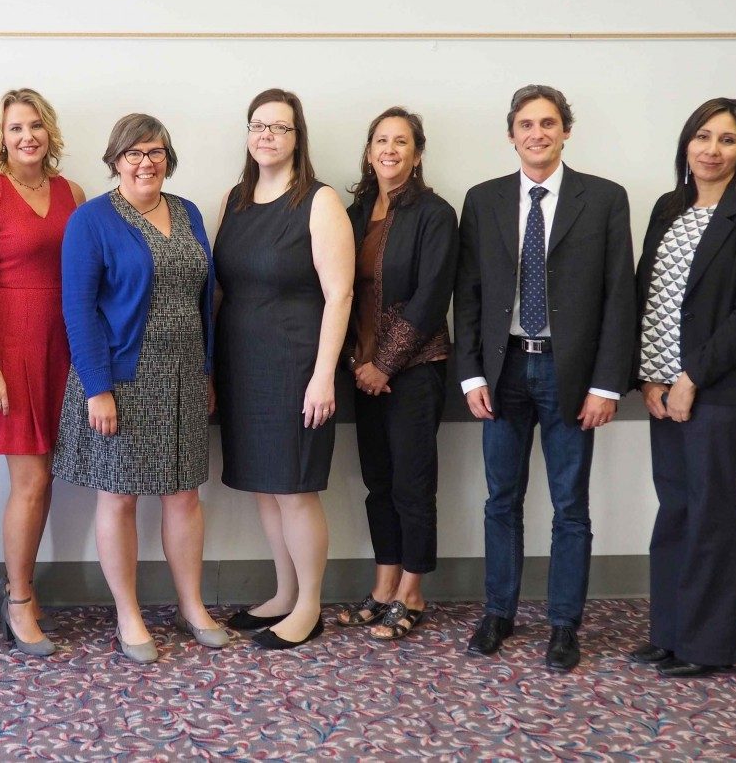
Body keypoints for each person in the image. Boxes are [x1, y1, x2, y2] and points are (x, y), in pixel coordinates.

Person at [455, 84, 636, 671]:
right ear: (511, 134)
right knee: (500, 499)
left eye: (549, 123)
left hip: (571, 371)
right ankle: (499, 613)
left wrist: (607, 384)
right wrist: (470, 374)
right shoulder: (482, 201)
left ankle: (564, 624)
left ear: (565, 131)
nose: (537, 133)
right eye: (526, 124)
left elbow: (618, 297)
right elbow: (470, 293)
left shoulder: (604, 199)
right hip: (503, 368)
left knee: (570, 505)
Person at [53, 113, 227, 664]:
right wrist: (97, 389)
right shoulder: (92, 220)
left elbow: (206, 299)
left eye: (154, 152)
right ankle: (128, 612)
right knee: (120, 495)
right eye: (133, 153)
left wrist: (206, 370)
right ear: (115, 160)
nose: (145, 162)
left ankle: (191, 604)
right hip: (122, 377)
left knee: (184, 496)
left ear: (167, 158)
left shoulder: (189, 212)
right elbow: (78, 310)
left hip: (182, 375)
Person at [627, 98, 736, 678]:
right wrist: (648, 377)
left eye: (727, 140)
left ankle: (710, 646)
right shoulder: (669, 207)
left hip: (720, 389)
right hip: (663, 388)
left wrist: (692, 378)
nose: (711, 149)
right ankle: (670, 633)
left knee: (710, 513)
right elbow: (649, 296)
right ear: (686, 144)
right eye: (702, 136)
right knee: (675, 509)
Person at [214, 88, 355, 650]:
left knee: (295, 486)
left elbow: (340, 295)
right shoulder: (235, 199)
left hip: (297, 361)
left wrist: (323, 376)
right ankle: (283, 592)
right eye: (258, 125)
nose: (267, 135)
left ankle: (310, 605)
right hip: (242, 362)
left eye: (280, 126)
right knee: (265, 487)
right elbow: (220, 288)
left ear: (299, 138)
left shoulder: (319, 202)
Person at [0, 89, 85, 657]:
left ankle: (19, 585)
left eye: (35, 125)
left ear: (49, 132)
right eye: (15, 128)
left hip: (65, 349)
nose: (26, 136)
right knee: (30, 482)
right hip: (10, 351)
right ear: (1, 135)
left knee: (47, 479)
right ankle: (18, 600)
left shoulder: (72, 192)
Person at [335, 107, 458, 641]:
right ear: (369, 152)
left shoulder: (435, 213)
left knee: (412, 485)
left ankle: (412, 591)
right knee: (377, 483)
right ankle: (383, 587)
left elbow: (431, 298)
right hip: (361, 371)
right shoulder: (355, 212)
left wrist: (383, 365)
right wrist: (358, 365)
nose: (389, 149)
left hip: (413, 371)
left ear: (417, 152)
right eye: (380, 140)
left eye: (401, 141)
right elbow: (338, 292)